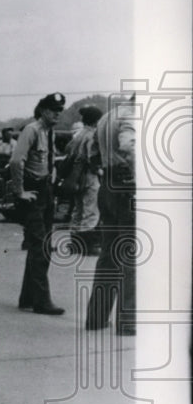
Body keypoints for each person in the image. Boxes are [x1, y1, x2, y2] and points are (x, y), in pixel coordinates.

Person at [10, 92, 67, 315]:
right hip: (33, 192)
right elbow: (16, 161)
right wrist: (19, 191)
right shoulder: (32, 130)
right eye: (54, 110)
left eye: (60, 110)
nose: (58, 114)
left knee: (40, 246)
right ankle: (42, 301)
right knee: (40, 247)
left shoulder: (48, 132)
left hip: (45, 191)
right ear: (43, 110)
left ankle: (28, 297)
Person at [84, 97, 136, 336]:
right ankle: (129, 321)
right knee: (130, 255)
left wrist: (104, 169)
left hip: (108, 184)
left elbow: (92, 151)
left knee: (108, 254)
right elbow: (128, 145)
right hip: (127, 184)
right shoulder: (132, 115)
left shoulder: (107, 116)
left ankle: (96, 317)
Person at [67, 105, 104, 255]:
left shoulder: (78, 135)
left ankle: (75, 243)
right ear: (96, 120)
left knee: (78, 209)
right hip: (89, 175)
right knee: (91, 210)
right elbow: (91, 158)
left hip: (76, 177)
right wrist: (99, 170)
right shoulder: (91, 135)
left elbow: (68, 151)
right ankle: (88, 244)